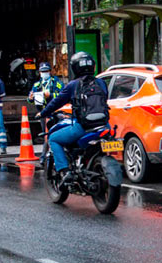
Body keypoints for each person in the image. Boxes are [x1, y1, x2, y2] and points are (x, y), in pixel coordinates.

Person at [38, 51, 109, 182]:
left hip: (83, 127)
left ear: (74, 67)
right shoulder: (101, 83)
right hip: (104, 125)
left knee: (53, 139)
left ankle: (65, 171)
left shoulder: (73, 85)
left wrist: (42, 113)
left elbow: (57, 102)